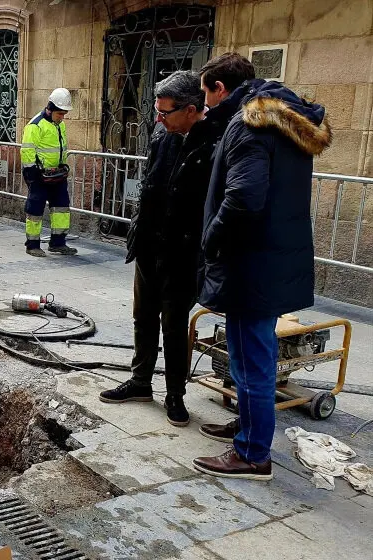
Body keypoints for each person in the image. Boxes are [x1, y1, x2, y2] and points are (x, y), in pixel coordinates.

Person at [192, 53, 331, 481]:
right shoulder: (285, 121)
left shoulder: (248, 124)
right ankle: (246, 428)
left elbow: (244, 198)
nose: (207, 103)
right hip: (271, 258)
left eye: (205, 93)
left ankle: (253, 454)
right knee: (250, 352)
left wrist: (211, 240)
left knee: (252, 359)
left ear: (219, 88)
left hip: (251, 262)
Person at [99, 70, 241, 427]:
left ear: (192, 109)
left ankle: (175, 394)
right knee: (143, 317)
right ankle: (140, 381)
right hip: (150, 244)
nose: (159, 119)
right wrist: (137, 228)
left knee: (174, 325)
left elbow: (220, 201)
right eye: (157, 113)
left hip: (185, 251)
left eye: (166, 113)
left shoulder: (217, 141)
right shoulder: (163, 135)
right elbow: (150, 183)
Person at [20, 88, 77, 257]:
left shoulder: (59, 124)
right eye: (60, 114)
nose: (62, 117)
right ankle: (32, 245)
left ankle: (58, 243)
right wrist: (32, 173)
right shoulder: (35, 125)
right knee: (35, 209)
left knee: (61, 208)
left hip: (57, 175)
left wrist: (62, 167)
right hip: (39, 175)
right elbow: (27, 151)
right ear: (50, 109)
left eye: (64, 114)